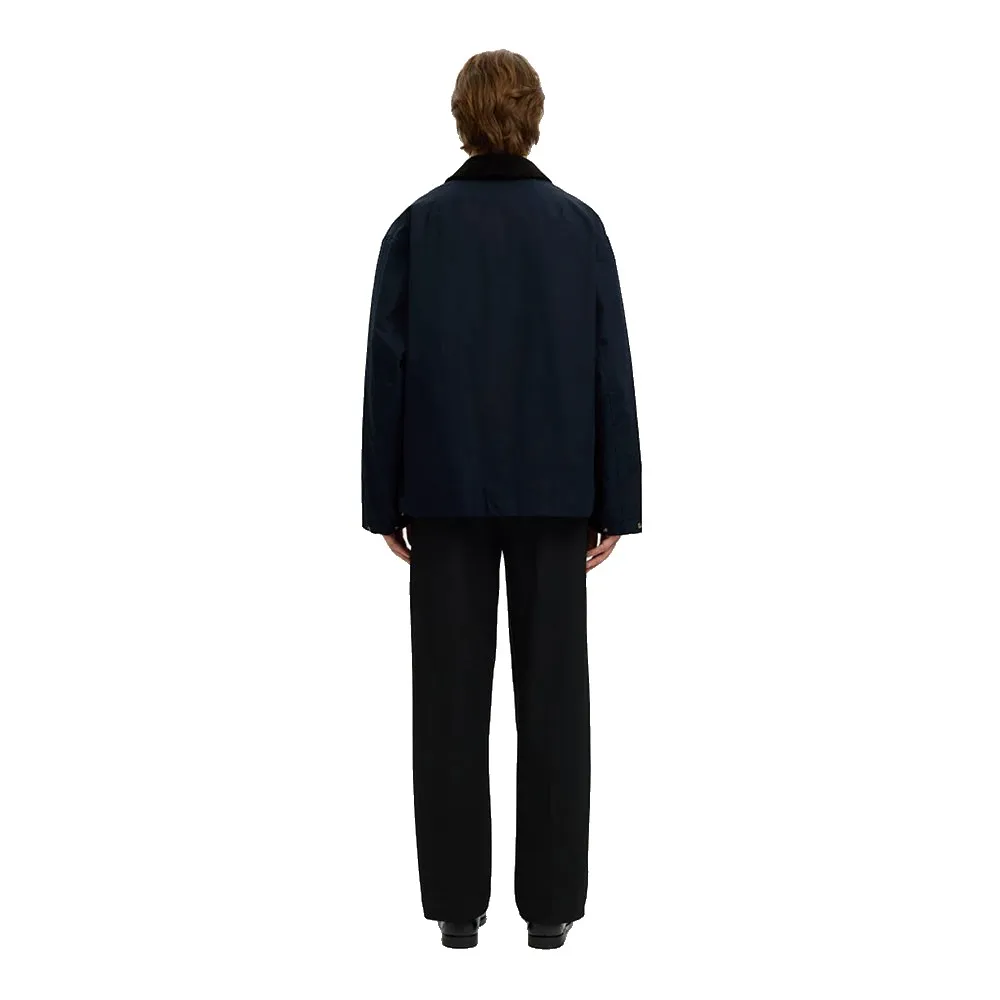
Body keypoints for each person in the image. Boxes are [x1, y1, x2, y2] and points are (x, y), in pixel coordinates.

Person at [361, 49, 642, 950]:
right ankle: (550, 910)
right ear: (535, 114)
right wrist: (617, 498)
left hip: (443, 491)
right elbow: (608, 365)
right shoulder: (578, 227)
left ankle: (456, 909)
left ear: (460, 116)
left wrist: (383, 501)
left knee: (446, 703)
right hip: (558, 493)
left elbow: (387, 370)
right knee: (556, 701)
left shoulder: (417, 228)